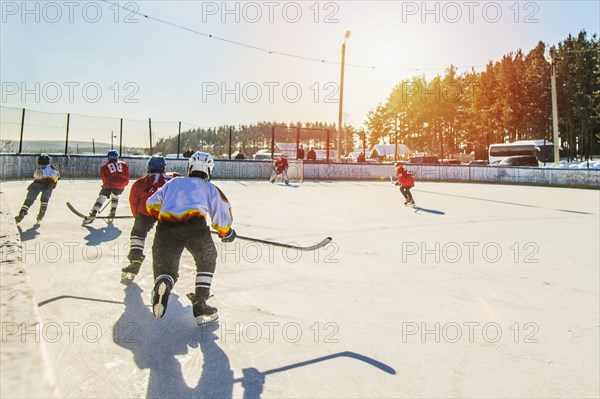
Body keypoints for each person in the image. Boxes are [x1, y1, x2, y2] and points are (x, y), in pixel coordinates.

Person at [146, 151, 235, 325]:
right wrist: (226, 232)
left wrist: (165, 214)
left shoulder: (173, 182)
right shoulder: (209, 188)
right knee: (207, 258)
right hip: (195, 228)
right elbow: (222, 214)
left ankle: (163, 282)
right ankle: (200, 303)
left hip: (166, 228)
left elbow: (151, 204)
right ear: (209, 170)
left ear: (190, 167)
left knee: (167, 267)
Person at [121, 156, 179, 282]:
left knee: (138, 233)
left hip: (146, 210)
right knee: (168, 239)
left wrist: (137, 216)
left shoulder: (142, 181)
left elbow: (134, 199)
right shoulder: (175, 177)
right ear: (164, 167)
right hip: (169, 211)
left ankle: (135, 259)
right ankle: (170, 269)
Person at [83, 150, 130, 225]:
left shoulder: (104, 167)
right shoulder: (124, 164)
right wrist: (124, 184)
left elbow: (104, 179)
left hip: (109, 184)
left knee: (102, 197)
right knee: (115, 196)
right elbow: (127, 175)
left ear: (108, 157)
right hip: (121, 184)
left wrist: (107, 186)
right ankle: (113, 212)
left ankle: (93, 212)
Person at [14, 154, 60, 224]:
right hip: (48, 186)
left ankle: (21, 216)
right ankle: (41, 216)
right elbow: (57, 177)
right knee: (44, 200)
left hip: (36, 185)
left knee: (29, 200)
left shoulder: (38, 169)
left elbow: (35, 176)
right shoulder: (53, 169)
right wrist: (57, 177)